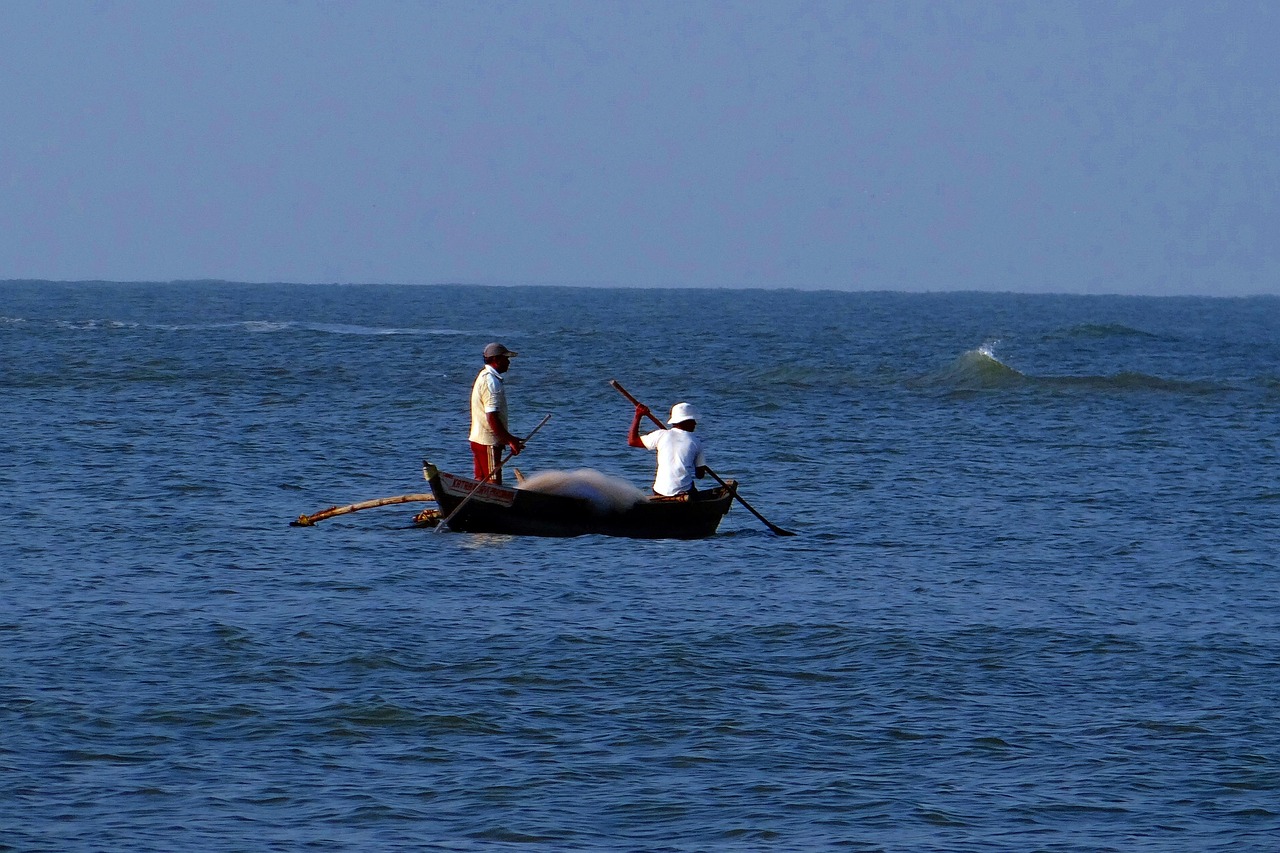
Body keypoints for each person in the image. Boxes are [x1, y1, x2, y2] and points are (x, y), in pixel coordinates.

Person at [469, 342, 523, 483]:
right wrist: (509, 440)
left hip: (479, 439)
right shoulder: (491, 382)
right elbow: (491, 417)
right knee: (493, 483)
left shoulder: (483, 375)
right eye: (506, 358)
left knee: (481, 482)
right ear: (496, 359)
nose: (508, 362)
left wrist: (508, 439)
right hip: (488, 442)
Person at [628, 401, 707, 496]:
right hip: (683, 492)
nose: (695, 423)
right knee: (692, 486)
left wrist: (638, 416)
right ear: (686, 422)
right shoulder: (696, 442)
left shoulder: (660, 434)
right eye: (692, 420)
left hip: (659, 491)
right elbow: (700, 475)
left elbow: (632, 441)